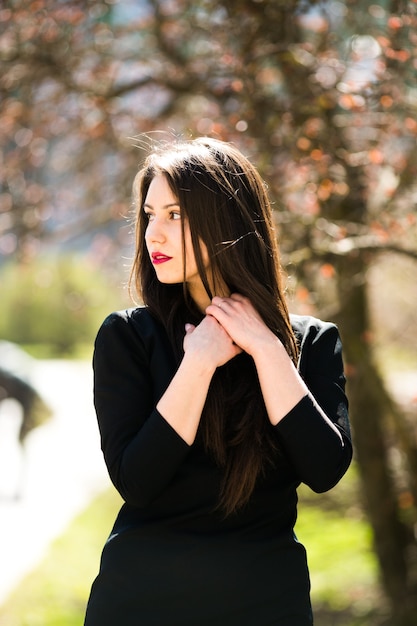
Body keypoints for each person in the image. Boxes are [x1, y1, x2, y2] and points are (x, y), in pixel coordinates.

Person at [84, 137, 352, 626]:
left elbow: (325, 470)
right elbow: (137, 482)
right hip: (141, 605)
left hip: (268, 606)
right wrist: (199, 363)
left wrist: (267, 349)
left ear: (227, 222)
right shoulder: (128, 338)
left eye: (175, 215)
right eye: (149, 214)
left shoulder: (310, 343)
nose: (154, 234)